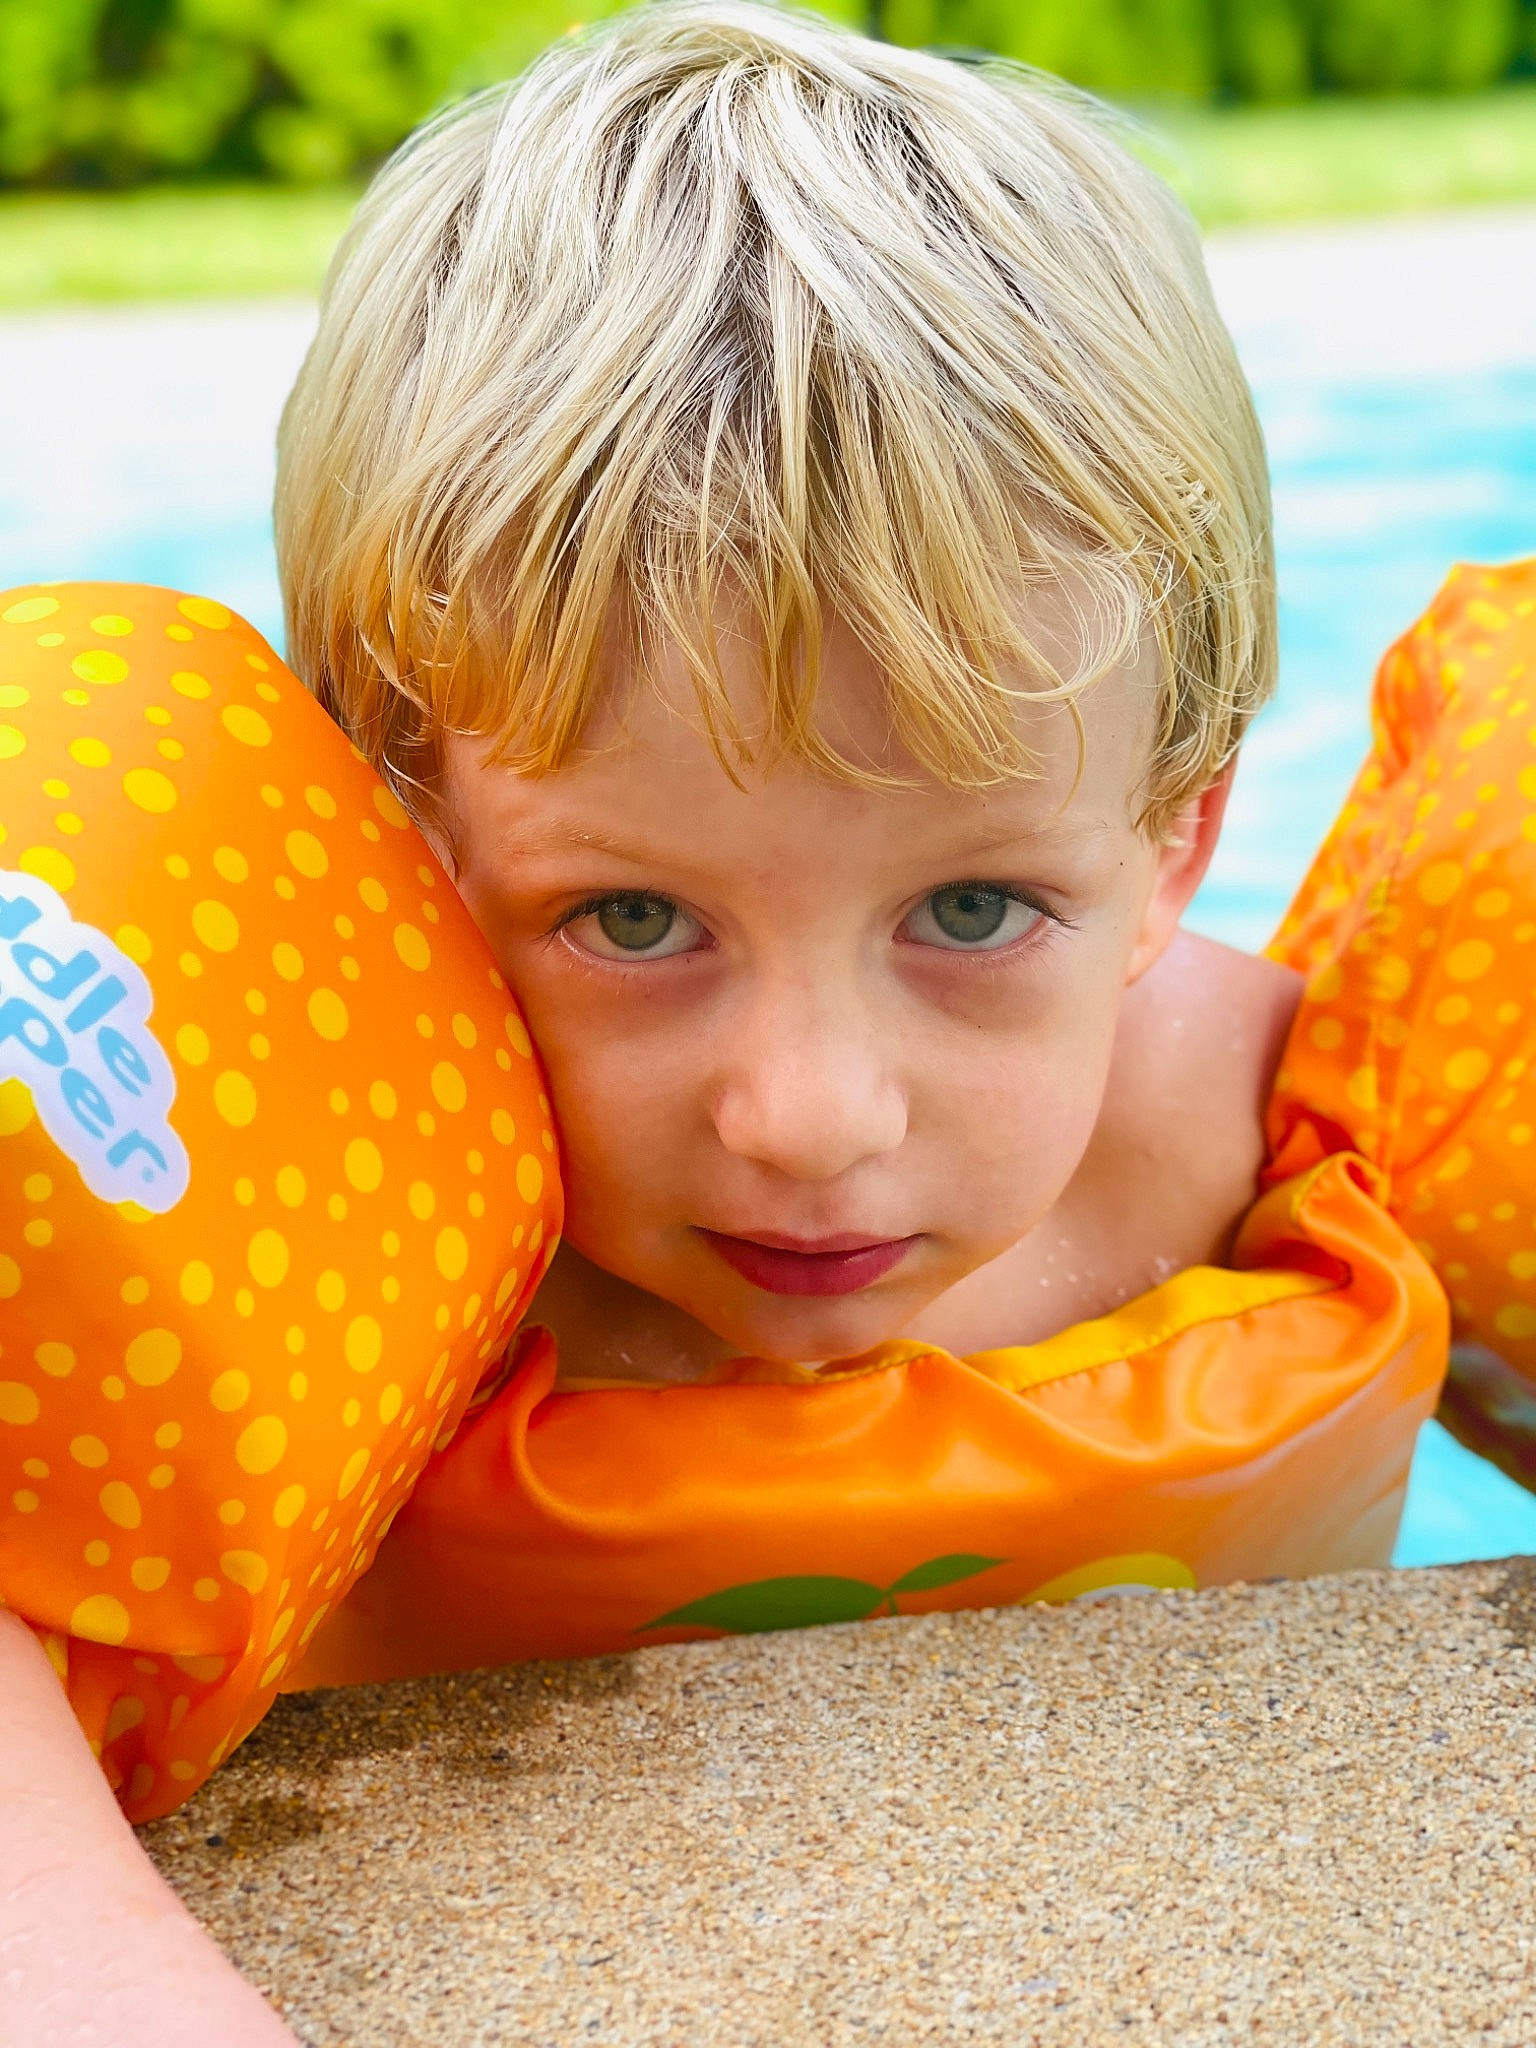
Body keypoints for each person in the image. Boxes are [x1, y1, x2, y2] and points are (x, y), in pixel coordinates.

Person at [5, 1, 1528, 2034]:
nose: (810, 1117)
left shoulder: (1296, 1142)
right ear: (401, 837)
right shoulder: (293, 1229)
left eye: (972, 909)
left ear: (1176, 836)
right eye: (632, 919)